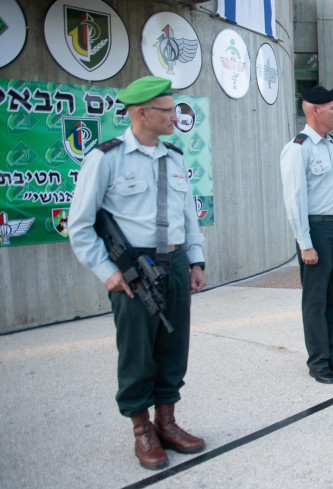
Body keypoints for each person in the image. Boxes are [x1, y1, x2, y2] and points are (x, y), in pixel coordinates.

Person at [68, 76, 207, 470]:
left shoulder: (176, 158)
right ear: (142, 113)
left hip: (176, 263)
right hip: (131, 269)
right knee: (136, 353)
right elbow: (79, 224)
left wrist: (195, 261)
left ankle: (167, 422)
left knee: (173, 346)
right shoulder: (106, 158)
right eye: (168, 110)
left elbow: (188, 217)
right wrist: (105, 270)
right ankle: (142, 429)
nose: (175, 117)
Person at [280, 85, 333, 384]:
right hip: (317, 229)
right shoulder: (298, 148)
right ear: (315, 110)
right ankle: (318, 361)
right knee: (316, 299)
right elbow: (295, 200)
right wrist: (305, 244)